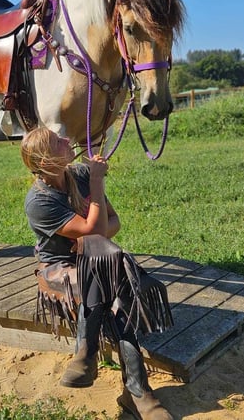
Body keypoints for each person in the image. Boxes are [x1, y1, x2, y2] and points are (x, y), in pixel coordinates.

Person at [21, 126, 174, 420]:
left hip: (98, 263)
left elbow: (110, 223)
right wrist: (96, 185)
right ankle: (139, 393)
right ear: (44, 162)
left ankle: (87, 354)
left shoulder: (78, 174)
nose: (67, 139)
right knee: (112, 279)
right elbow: (99, 228)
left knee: (108, 270)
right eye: (57, 141)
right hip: (59, 269)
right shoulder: (38, 202)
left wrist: (96, 236)